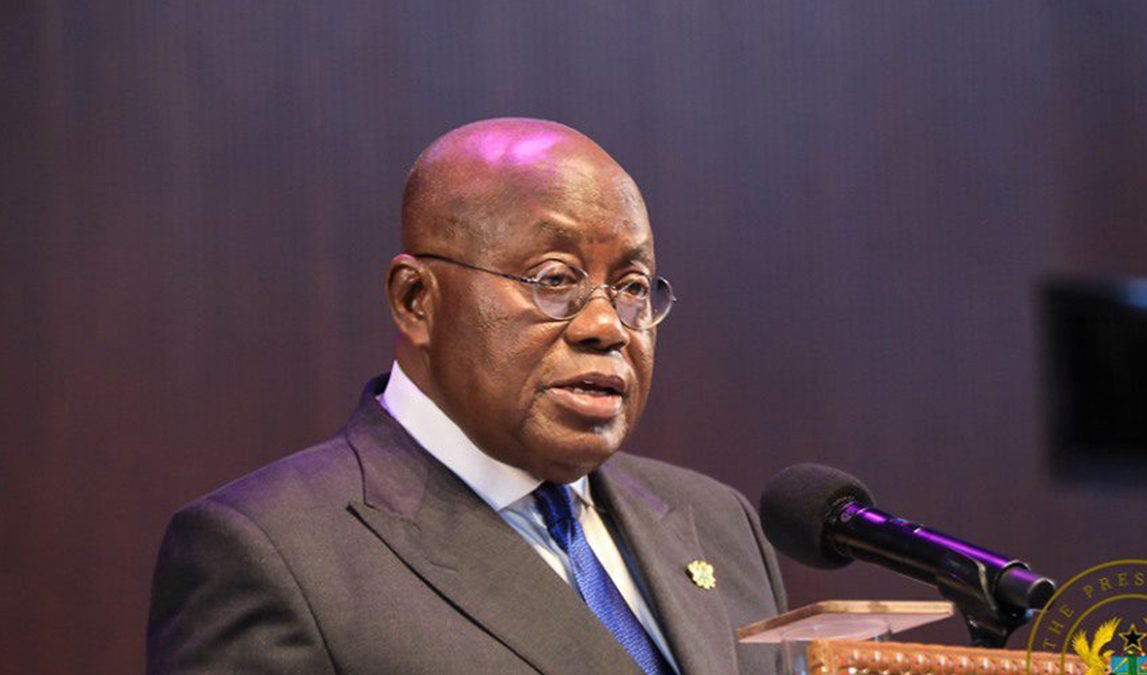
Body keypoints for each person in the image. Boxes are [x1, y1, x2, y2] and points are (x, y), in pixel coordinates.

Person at [147, 118, 787, 674]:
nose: (607, 325)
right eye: (554, 279)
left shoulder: (719, 524)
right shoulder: (271, 553)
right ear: (416, 301)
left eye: (633, 286)